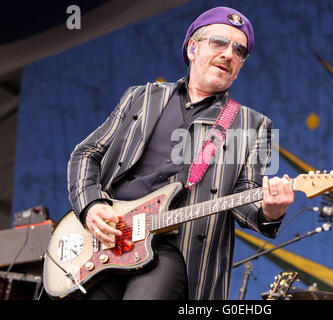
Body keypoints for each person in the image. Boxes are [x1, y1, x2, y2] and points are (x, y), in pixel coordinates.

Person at [67, 6, 294, 300]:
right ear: (192, 49)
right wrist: (91, 205)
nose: (229, 54)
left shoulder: (255, 126)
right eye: (219, 42)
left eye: (239, 51)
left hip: (175, 253)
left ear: (239, 68)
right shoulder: (141, 97)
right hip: (105, 243)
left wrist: (271, 211)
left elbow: (245, 198)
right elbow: (86, 153)